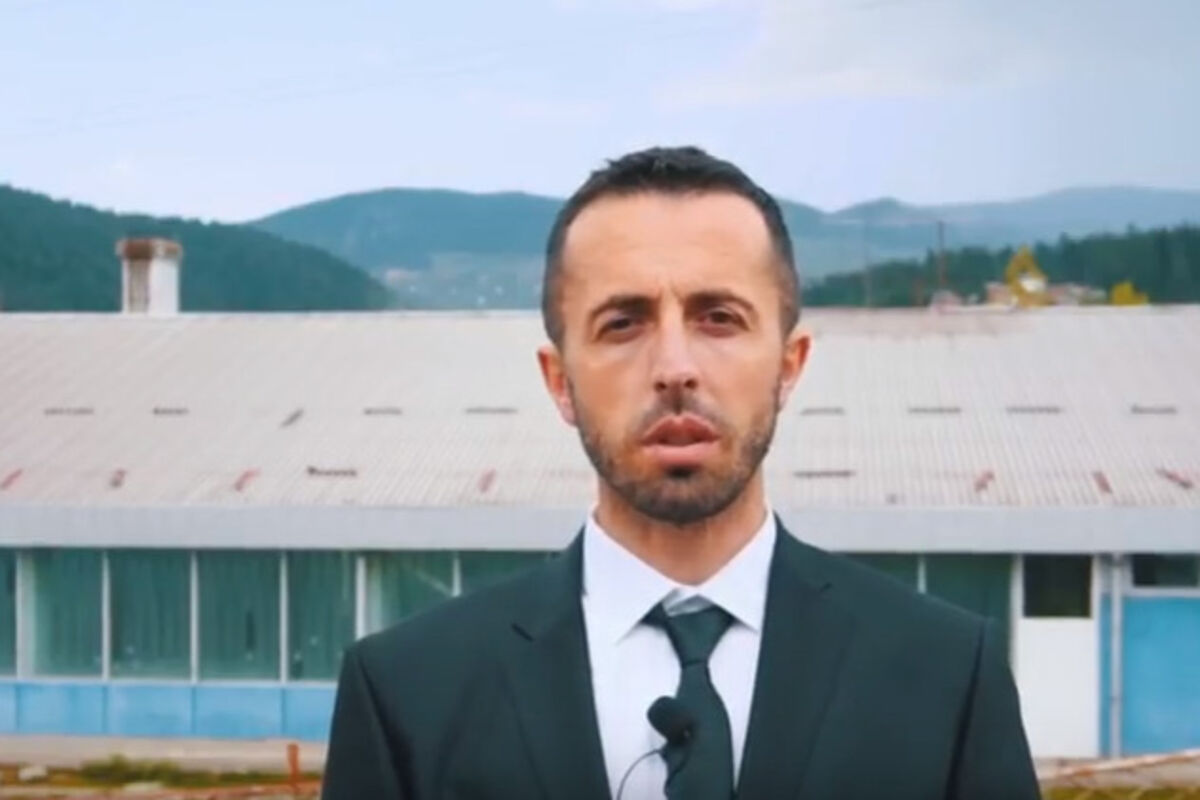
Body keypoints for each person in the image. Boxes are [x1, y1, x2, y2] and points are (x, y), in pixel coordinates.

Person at [321, 146, 1042, 800]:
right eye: (623, 323)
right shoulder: (406, 693)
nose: (674, 368)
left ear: (789, 366)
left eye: (719, 318)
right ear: (560, 381)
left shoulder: (946, 675)